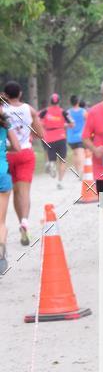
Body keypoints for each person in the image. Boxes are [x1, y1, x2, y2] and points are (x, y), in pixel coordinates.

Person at [2, 81, 44, 246]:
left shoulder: (2, 110)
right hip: (25, 152)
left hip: (6, 153)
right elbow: (40, 134)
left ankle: (15, 223)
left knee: (14, 192)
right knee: (24, 191)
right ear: (20, 93)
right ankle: (24, 222)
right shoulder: (29, 110)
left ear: (5, 95)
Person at [0, 108, 21, 274]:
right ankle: (1, 256)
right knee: (0, 221)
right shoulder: (5, 124)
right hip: (2, 174)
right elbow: (17, 147)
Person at [38, 93, 73, 189]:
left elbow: (38, 121)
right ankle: (60, 182)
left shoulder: (44, 111)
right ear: (59, 101)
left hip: (49, 138)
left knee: (52, 158)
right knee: (62, 161)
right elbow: (72, 124)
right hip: (61, 137)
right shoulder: (63, 112)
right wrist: (63, 125)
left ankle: (51, 163)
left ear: (50, 102)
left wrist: (45, 125)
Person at [67, 95, 87, 177]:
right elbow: (88, 122)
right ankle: (81, 172)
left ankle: (78, 172)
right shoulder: (83, 111)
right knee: (81, 153)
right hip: (80, 136)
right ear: (78, 102)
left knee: (75, 153)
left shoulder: (68, 112)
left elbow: (66, 123)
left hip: (71, 137)